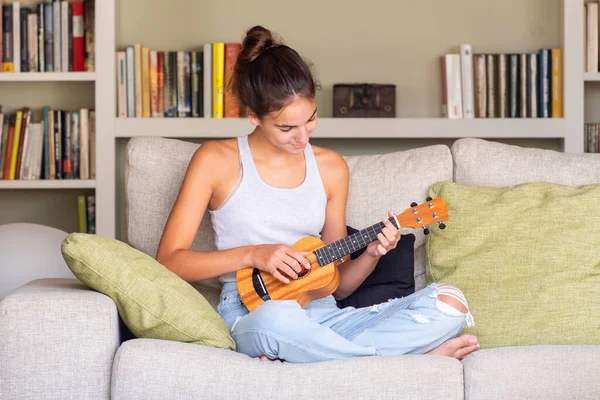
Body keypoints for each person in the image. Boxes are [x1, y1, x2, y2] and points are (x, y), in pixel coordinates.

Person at [155, 25, 479, 363]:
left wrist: (370, 254)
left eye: (310, 120)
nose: (302, 138)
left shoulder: (331, 168)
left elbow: (338, 286)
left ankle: (322, 356)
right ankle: (408, 361)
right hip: (256, 311)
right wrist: (254, 254)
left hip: (327, 318)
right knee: (278, 319)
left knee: (449, 301)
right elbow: (170, 260)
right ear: (253, 116)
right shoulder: (215, 161)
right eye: (286, 128)